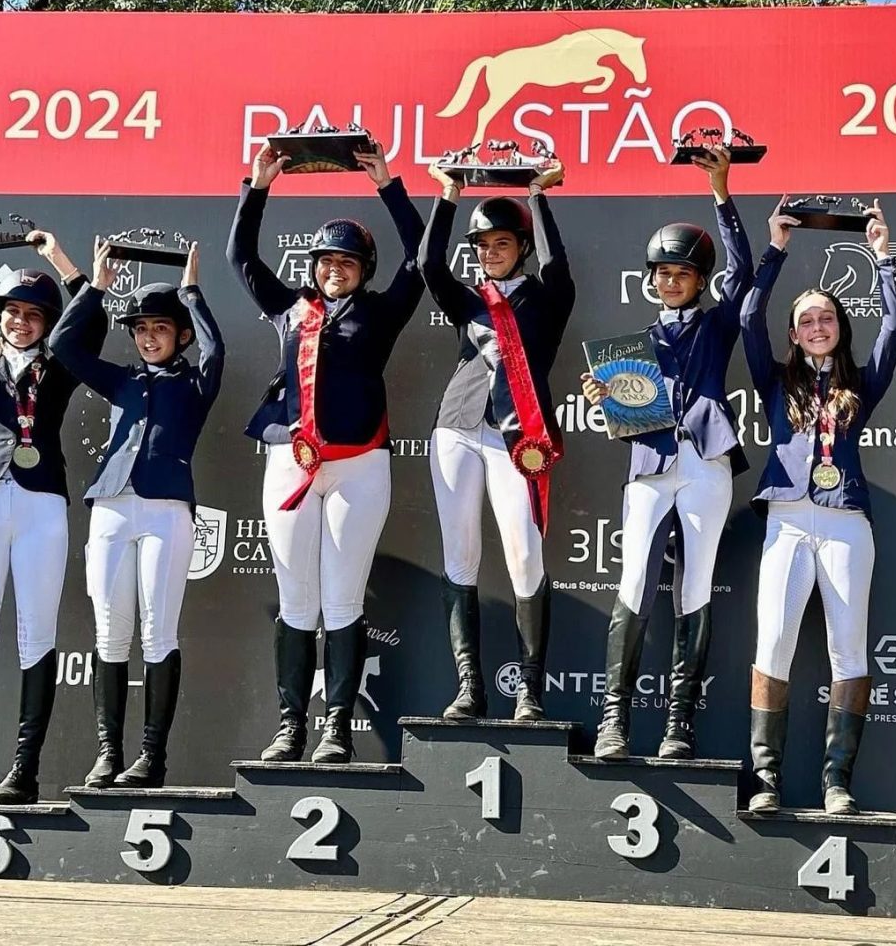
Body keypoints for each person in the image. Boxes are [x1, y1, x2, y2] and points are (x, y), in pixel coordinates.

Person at [227, 141, 424, 765]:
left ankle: (335, 727)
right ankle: (291, 727)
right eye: (325, 260)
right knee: (296, 599)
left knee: (342, 597)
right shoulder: (289, 309)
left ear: (365, 267)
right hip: (292, 461)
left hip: (359, 466)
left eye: (346, 260)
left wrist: (389, 187)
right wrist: (257, 188)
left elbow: (423, 257)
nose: (334, 267)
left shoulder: (383, 313)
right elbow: (241, 257)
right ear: (312, 266)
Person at [582, 147, 752, 760]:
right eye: (661, 272)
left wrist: (721, 191)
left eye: (680, 272)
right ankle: (613, 722)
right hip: (649, 469)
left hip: (705, 465)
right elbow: (623, 418)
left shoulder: (717, 324)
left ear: (699, 280)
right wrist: (606, 398)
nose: (669, 280)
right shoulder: (636, 343)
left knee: (696, 586)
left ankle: (680, 725)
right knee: (633, 584)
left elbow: (745, 272)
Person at [742, 197, 896, 816]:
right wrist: (776, 249)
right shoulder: (774, 379)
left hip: (846, 525)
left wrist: (882, 259)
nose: (816, 325)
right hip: (786, 519)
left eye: (826, 317)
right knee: (774, 641)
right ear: (794, 332)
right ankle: (767, 779)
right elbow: (749, 315)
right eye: (806, 319)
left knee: (849, 649)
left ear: (839, 326)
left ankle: (837, 781)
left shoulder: (861, 382)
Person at [49, 239, 223, 789]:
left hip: (166, 510)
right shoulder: (121, 379)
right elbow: (63, 345)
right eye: (141, 329)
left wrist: (192, 291)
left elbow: (217, 352)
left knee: (157, 633)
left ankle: (151, 758)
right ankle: (107, 754)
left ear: (181, 335)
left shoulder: (196, 382)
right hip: (110, 511)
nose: (149, 337)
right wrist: (96, 286)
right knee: (110, 632)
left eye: (161, 328)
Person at [420, 158, 570, 723]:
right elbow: (428, 264)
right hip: (457, 429)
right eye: (481, 244)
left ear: (522, 247)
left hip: (519, 437)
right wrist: (448, 195)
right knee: (460, 555)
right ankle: (469, 687)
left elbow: (557, 264)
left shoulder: (547, 297)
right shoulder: (467, 300)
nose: (489, 252)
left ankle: (529, 690)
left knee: (523, 556)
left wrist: (537, 196)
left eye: (501, 243)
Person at [0, 232, 106, 805]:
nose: (21, 323)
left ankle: (23, 769)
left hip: (41, 504)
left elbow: (92, 314)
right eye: (12, 312)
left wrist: (57, 255)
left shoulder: (60, 366)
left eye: (34, 315)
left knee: (36, 634)